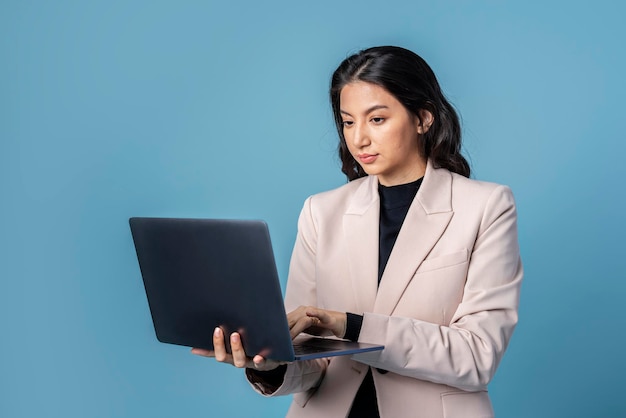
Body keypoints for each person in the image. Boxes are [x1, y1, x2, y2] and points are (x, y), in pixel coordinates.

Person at [192, 45, 523, 418]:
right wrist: (268, 363)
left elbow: (477, 356)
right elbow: (309, 360)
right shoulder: (321, 211)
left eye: (377, 119)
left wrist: (352, 326)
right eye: (348, 122)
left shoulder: (486, 206)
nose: (359, 139)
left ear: (423, 118)